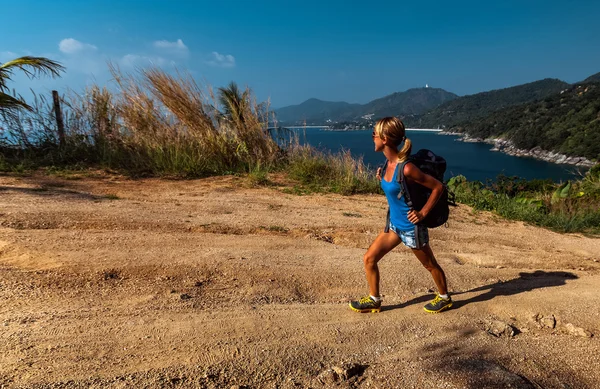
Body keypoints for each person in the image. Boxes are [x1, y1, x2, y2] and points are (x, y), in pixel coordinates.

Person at [349, 117, 452, 314]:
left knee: (430, 265)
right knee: (369, 259)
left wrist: (422, 213)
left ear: (385, 138)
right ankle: (374, 300)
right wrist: (382, 180)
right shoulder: (388, 164)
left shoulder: (406, 167)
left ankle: (445, 298)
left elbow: (438, 187)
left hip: (411, 228)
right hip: (394, 226)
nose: (372, 138)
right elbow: (396, 192)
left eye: (374, 135)